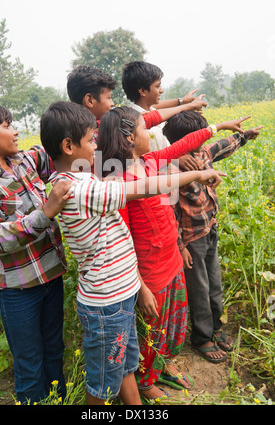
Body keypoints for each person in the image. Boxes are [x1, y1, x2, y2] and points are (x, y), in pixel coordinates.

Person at [39, 101, 223, 405]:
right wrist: (195, 175)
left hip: (120, 289)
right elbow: (144, 188)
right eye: (90, 140)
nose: (96, 144)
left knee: (124, 364)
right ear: (69, 146)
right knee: (102, 383)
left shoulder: (83, 180)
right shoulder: (81, 189)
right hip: (106, 301)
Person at [97, 106, 245, 400]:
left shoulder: (151, 161)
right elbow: (122, 240)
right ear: (128, 138)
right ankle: (146, 379)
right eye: (143, 128)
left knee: (173, 323)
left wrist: (219, 126)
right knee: (152, 329)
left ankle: (164, 362)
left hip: (172, 259)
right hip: (150, 271)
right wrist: (141, 289)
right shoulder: (118, 184)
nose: (149, 132)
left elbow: (182, 145)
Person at [0, 103, 73, 404]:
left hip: (51, 275)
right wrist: (46, 212)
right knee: (29, 363)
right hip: (19, 290)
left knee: (55, 350)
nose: (16, 130)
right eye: (7, 125)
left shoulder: (26, 160)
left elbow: (65, 146)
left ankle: (58, 400)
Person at [163, 110, 263, 363]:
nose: (202, 146)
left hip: (210, 228)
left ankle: (216, 329)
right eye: (199, 139)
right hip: (191, 238)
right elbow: (169, 212)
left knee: (215, 284)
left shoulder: (201, 154)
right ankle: (202, 337)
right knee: (199, 288)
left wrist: (244, 137)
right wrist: (180, 245)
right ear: (184, 142)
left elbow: (219, 147)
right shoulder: (171, 169)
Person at [122, 60, 207, 152]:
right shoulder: (131, 121)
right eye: (157, 86)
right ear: (142, 91)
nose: (161, 90)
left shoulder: (155, 112)